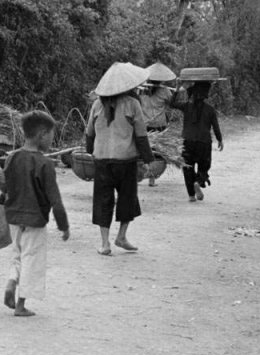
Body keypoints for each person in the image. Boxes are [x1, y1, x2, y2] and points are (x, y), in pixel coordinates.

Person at [0, 110, 70, 317]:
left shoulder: (12, 157)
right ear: (42, 134)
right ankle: (20, 304)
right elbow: (55, 200)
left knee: (17, 256)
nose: (52, 139)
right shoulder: (45, 164)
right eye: (51, 135)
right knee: (32, 260)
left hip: (14, 218)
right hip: (35, 221)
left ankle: (11, 282)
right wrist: (64, 225)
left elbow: (6, 187)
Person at [85, 62, 156, 255]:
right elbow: (141, 136)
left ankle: (105, 244)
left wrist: (89, 151)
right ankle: (121, 236)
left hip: (102, 161)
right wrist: (148, 160)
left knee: (102, 200)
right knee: (128, 199)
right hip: (125, 161)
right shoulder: (132, 104)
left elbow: (89, 134)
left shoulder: (97, 105)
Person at [169, 68, 224, 202]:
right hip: (204, 142)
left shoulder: (187, 106)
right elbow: (215, 127)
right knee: (204, 166)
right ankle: (198, 182)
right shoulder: (210, 110)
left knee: (187, 167)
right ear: (206, 95)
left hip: (187, 141)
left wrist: (177, 88)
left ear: (192, 93)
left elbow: (172, 103)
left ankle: (191, 195)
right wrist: (220, 140)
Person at [140, 62, 177, 187]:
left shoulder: (142, 90)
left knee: (145, 150)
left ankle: (145, 174)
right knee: (156, 152)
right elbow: (172, 103)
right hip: (159, 125)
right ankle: (152, 177)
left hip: (144, 125)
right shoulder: (165, 91)